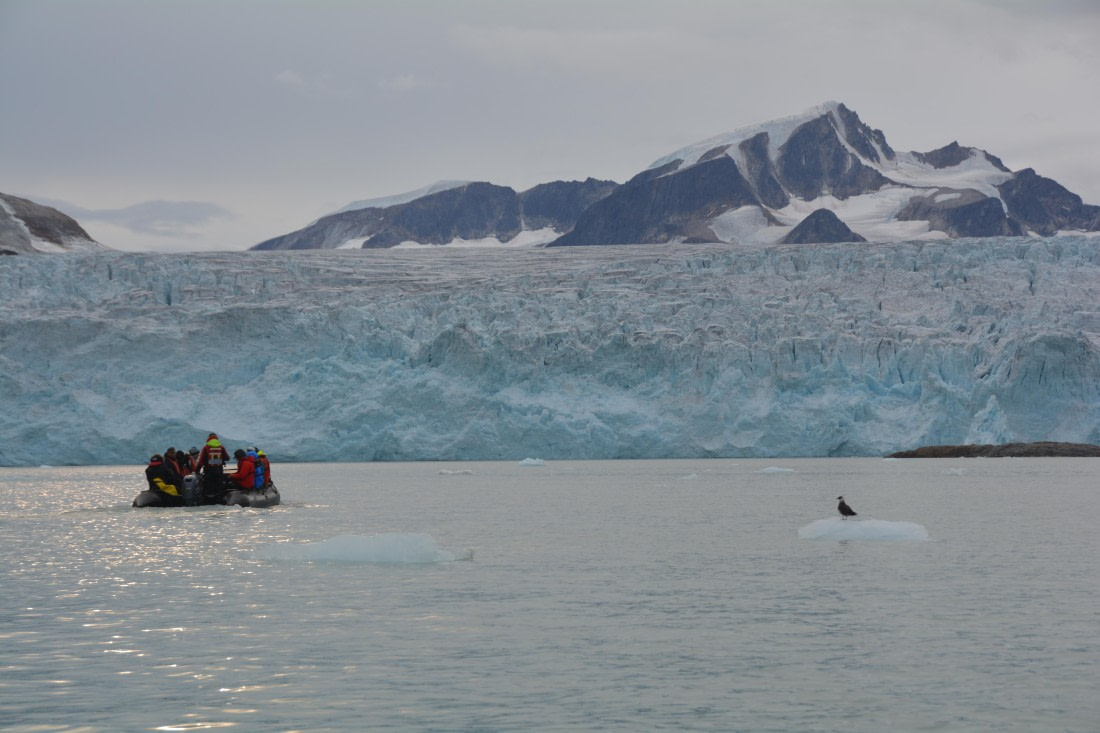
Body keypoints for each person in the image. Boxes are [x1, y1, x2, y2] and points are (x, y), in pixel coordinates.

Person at [196, 433, 230, 501]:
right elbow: (227, 458)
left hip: (208, 471)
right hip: (219, 470)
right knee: (218, 485)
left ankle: (208, 499)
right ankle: (219, 498)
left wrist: (197, 471)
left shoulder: (206, 448)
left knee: (209, 486)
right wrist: (221, 459)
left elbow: (201, 460)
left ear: (209, 438)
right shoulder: (221, 447)